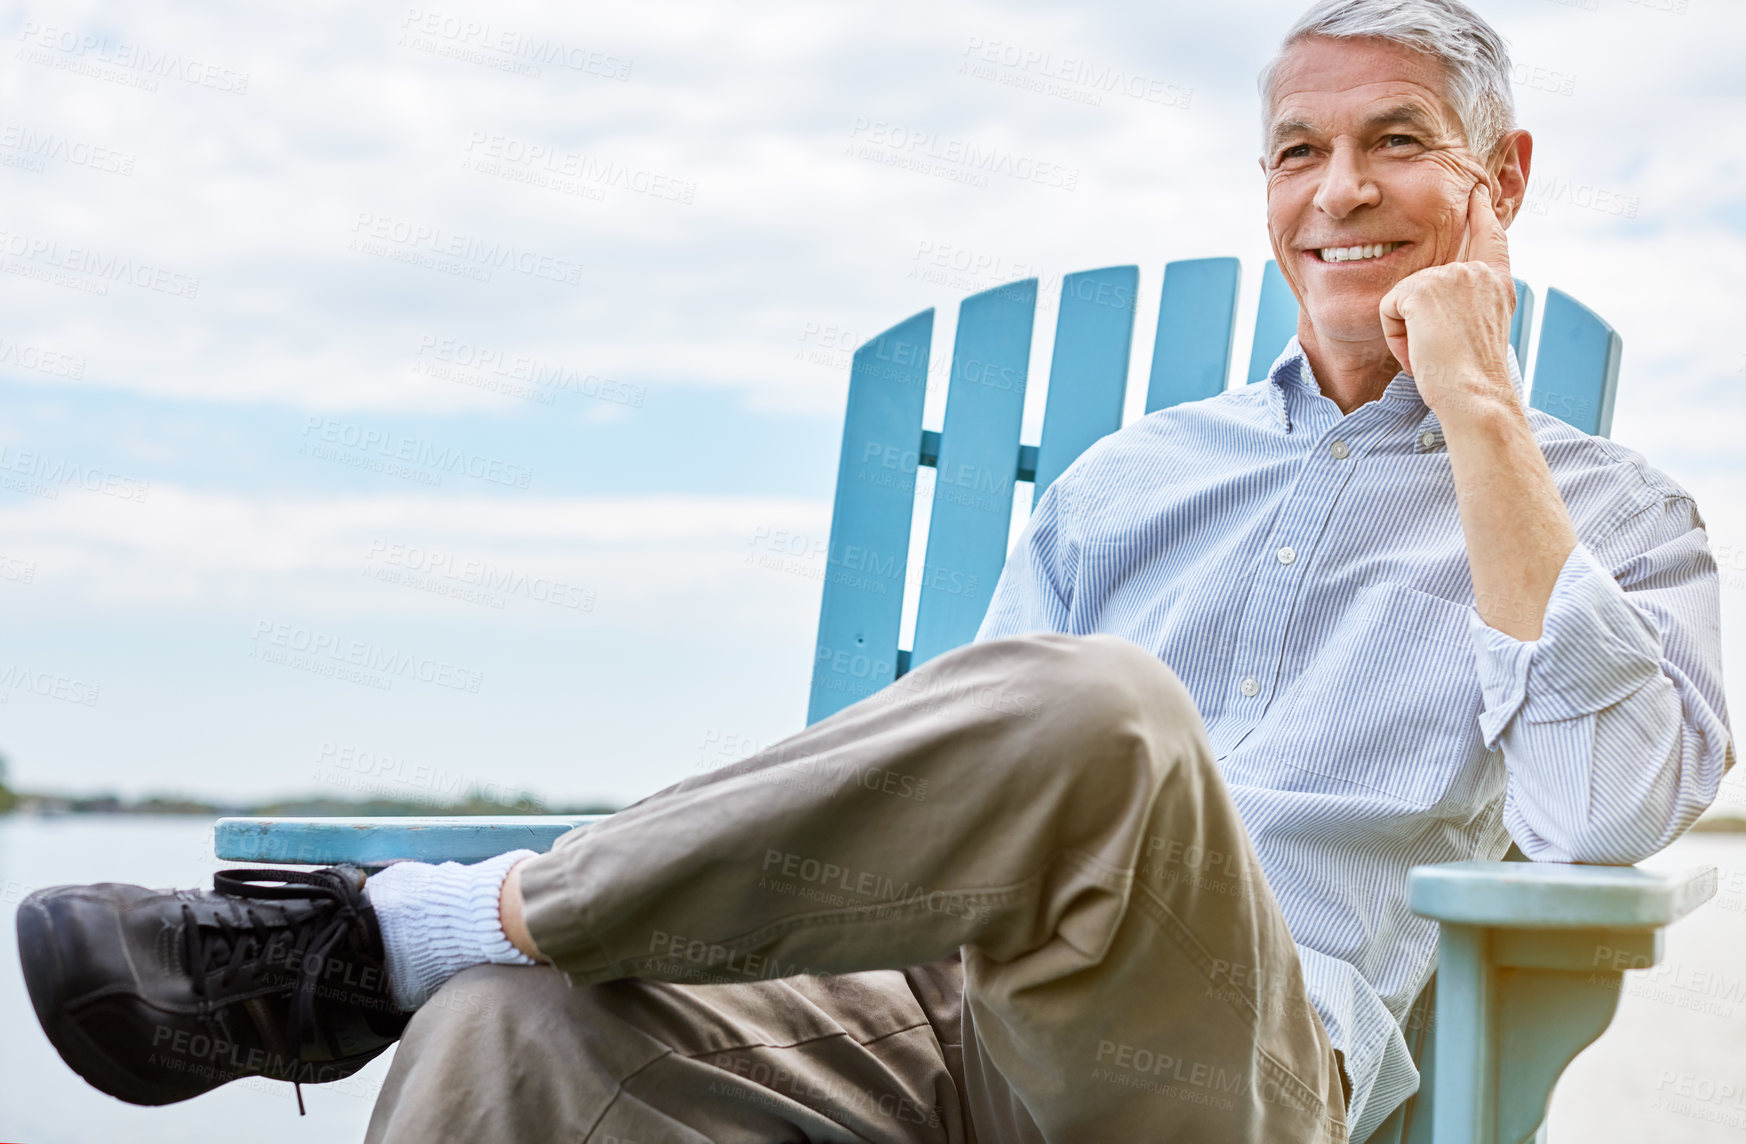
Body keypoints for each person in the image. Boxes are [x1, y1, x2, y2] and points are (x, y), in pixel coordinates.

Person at [17, 1, 1733, 1140]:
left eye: (1399, 142)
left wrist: (1486, 415)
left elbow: (1600, 818)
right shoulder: (1131, 478)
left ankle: (396, 933)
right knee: (497, 1035)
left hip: (1228, 1060)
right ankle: (439, 959)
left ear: (1500, 180)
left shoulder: (1618, 514)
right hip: (930, 1018)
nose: (1336, 190)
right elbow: (955, 781)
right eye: (1298, 149)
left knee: (1096, 714)